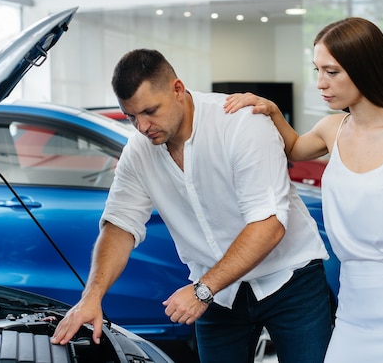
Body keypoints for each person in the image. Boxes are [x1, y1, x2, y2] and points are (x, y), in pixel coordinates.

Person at [51, 49, 333, 362]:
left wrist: (203, 290)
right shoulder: (139, 150)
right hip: (219, 294)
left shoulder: (240, 123)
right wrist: (92, 296)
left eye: (150, 111)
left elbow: (268, 225)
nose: (142, 126)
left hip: (290, 282)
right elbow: (120, 224)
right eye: (131, 116)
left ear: (177, 89)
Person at [224, 17, 383, 363]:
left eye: (332, 72)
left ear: (364, 68)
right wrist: (273, 111)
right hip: (353, 308)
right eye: (317, 70)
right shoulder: (332, 128)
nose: (321, 83)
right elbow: (292, 147)